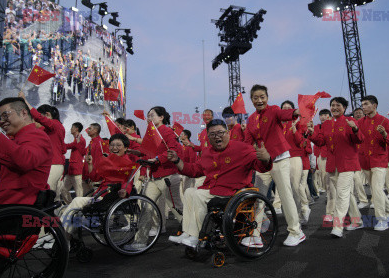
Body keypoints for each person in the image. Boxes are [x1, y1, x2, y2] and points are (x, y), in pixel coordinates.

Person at [167, 119, 273, 248]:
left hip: (234, 191)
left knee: (198, 194)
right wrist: (177, 160)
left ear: (228, 133)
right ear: (208, 136)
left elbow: (260, 167)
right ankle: (188, 233)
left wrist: (266, 159)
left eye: (220, 133)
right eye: (212, 134)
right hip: (213, 189)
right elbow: (194, 170)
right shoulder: (206, 152)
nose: (217, 137)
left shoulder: (243, 148)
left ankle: (198, 236)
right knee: (189, 192)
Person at [244, 85, 305, 247]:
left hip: (279, 159)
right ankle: (255, 234)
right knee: (258, 198)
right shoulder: (250, 119)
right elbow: (247, 143)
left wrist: (296, 112)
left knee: (285, 195)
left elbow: (285, 114)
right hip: (263, 164)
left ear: (267, 97)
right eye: (255, 97)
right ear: (251, 100)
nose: (259, 100)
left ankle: (296, 232)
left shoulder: (274, 110)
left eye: (262, 96)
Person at [0, 97, 52, 214]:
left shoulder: (38, 136)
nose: (1, 121)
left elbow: (24, 160)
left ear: (24, 113)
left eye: (5, 115)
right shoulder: (12, 141)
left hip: (12, 213)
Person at [59, 134, 137, 238]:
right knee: (71, 211)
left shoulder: (127, 163)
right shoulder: (107, 160)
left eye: (118, 145)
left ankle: (60, 234)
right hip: (100, 195)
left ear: (126, 148)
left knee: (76, 202)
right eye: (112, 145)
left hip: (110, 197)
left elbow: (127, 182)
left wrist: (124, 190)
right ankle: (65, 237)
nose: (114, 148)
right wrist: (90, 164)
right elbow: (95, 178)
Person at [308, 97, 363, 238]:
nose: (335, 107)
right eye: (332, 105)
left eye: (338, 105)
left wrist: (355, 128)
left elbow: (359, 139)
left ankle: (337, 226)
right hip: (332, 164)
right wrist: (311, 133)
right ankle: (357, 221)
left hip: (347, 163)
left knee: (342, 194)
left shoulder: (350, 121)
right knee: (346, 194)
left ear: (344, 108)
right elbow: (320, 141)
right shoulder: (326, 124)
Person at [135, 106, 183, 239]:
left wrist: (157, 159)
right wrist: (136, 153)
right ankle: (140, 240)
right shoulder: (150, 132)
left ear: (161, 117)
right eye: (148, 116)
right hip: (153, 177)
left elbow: (173, 150)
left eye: (152, 115)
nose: (149, 118)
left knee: (176, 208)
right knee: (146, 207)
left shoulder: (168, 132)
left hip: (168, 176)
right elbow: (146, 152)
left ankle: (190, 233)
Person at [357, 95, 389, 231]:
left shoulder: (384, 121)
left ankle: (382, 219)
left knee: (377, 189)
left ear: (374, 105)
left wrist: (385, 134)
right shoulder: (360, 122)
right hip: (365, 161)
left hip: (379, 160)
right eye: (362, 104)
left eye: (366, 104)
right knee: (376, 190)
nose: (363, 106)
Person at [18, 91, 66, 194]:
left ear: (47, 115)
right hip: (55, 164)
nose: (38, 121)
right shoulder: (52, 129)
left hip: (54, 164)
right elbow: (63, 149)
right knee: (54, 196)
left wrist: (24, 100)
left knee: (47, 193)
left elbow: (38, 118)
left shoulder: (55, 125)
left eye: (40, 118)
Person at [62, 122, 87, 204]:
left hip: (77, 170)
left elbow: (72, 145)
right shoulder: (76, 138)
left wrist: (60, 144)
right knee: (63, 190)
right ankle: (70, 205)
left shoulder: (80, 139)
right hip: (71, 170)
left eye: (72, 127)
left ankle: (79, 208)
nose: (70, 129)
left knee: (79, 193)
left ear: (76, 129)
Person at [82, 123, 108, 195]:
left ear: (96, 130)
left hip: (95, 178)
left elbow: (99, 162)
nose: (88, 130)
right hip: (88, 177)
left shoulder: (99, 143)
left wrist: (95, 177)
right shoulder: (91, 142)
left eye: (90, 129)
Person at [353, 108, 369, 209]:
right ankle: (362, 199)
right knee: (356, 179)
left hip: (368, 155)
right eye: (356, 113)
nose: (358, 115)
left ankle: (376, 200)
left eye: (360, 113)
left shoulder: (369, 123)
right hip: (356, 156)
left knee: (372, 182)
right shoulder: (352, 125)